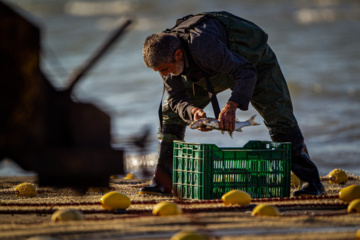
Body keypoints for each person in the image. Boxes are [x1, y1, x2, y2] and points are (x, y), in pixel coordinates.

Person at [139, 11, 326, 197]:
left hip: (252, 63)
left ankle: (312, 184)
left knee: (279, 116)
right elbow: (176, 99)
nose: (164, 75)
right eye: (158, 71)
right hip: (208, 71)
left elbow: (246, 71)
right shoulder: (167, 59)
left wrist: (231, 105)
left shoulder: (203, 46)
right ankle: (162, 182)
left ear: (178, 54)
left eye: (165, 69)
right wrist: (192, 111)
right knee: (169, 112)